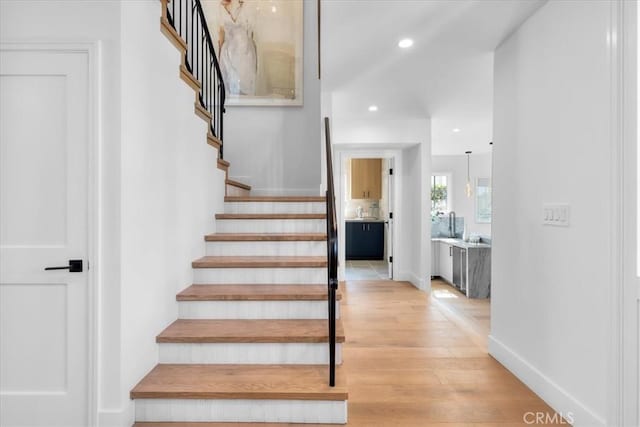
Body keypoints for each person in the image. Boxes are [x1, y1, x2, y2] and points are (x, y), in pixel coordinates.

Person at [218, 0, 257, 96]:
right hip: (229, 50)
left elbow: (251, 32)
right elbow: (221, 33)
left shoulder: (246, 6)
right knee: (230, 82)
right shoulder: (221, 7)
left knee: (245, 82)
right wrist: (219, 53)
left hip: (245, 49)